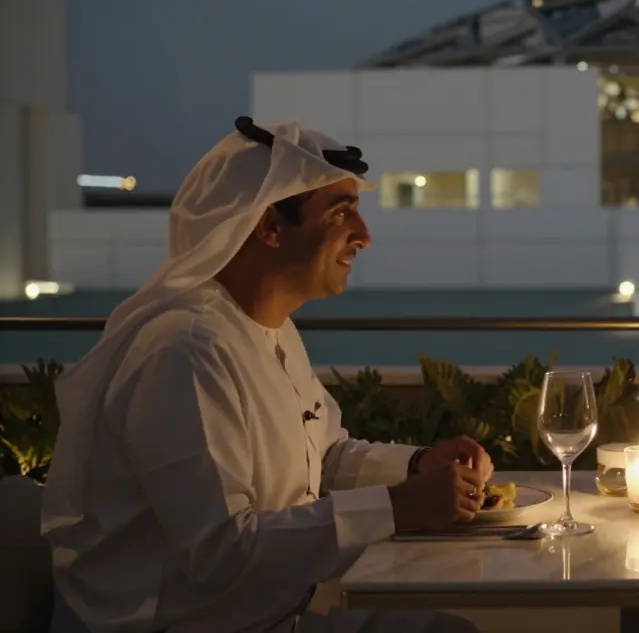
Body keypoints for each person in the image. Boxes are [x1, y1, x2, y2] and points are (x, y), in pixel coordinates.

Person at [41, 117, 489, 632]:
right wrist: (394, 508)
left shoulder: (269, 330)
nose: (363, 236)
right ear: (269, 227)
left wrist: (415, 467)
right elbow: (221, 553)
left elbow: (319, 455)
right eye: (340, 213)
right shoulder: (186, 350)